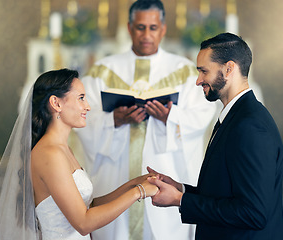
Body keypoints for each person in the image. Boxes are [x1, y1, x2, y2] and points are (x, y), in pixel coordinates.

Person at [74, 0, 216, 239]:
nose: (146, 34)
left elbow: (202, 115)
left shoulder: (185, 71)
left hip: (165, 174)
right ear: (129, 28)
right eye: (140, 27)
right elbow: (82, 118)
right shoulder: (102, 71)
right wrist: (114, 120)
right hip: (114, 180)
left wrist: (170, 116)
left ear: (163, 29)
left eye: (153, 27)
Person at [0, 69, 158, 240]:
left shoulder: (62, 149)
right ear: (56, 103)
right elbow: (83, 223)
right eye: (81, 98)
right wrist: (138, 193)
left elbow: (89, 206)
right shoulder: (49, 154)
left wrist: (135, 182)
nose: (87, 107)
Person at [147, 33, 283, 240]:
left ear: (229, 69)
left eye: (204, 71)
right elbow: (225, 193)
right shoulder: (236, 115)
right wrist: (181, 189)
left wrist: (181, 200)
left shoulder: (250, 126)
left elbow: (254, 212)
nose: (198, 81)